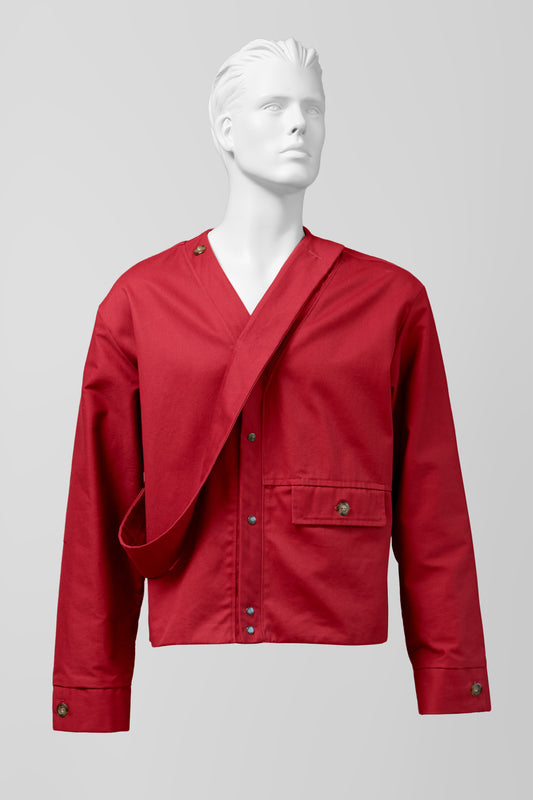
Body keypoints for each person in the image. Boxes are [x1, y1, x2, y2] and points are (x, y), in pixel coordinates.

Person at [52, 37, 491, 732]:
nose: (298, 125)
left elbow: (433, 510)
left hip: (350, 683)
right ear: (224, 130)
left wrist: (450, 680)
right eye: (274, 106)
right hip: (188, 688)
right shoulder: (140, 300)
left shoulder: (391, 301)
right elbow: (97, 508)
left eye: (313, 109)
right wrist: (90, 692)